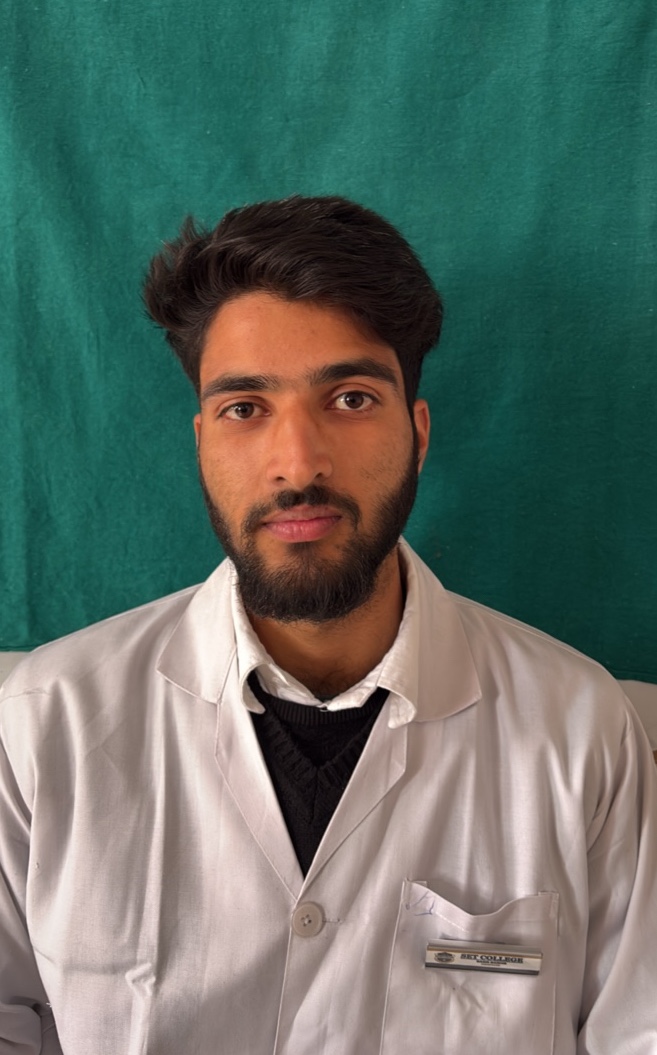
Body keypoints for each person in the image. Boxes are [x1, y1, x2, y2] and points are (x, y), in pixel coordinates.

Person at [0, 195, 655, 1055]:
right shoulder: (42, 722)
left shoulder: (582, 730)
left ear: (417, 432)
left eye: (350, 397)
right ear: (201, 440)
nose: (298, 462)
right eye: (245, 407)